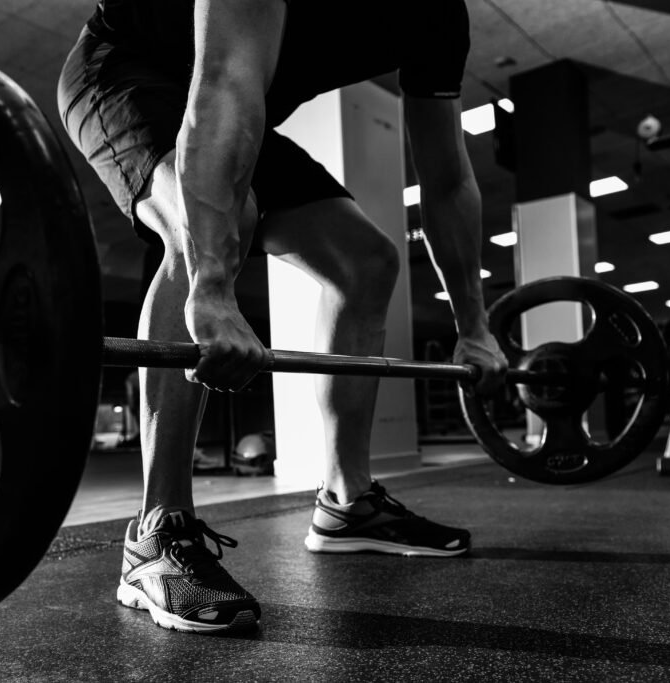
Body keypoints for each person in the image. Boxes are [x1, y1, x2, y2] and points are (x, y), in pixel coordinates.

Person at [57, 0, 507, 634]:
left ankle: (347, 502)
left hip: (234, 100)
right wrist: (212, 285)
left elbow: (447, 177)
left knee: (368, 263)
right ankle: (157, 534)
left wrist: (474, 326)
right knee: (212, 227)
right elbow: (224, 84)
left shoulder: (437, 15)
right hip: (125, 74)